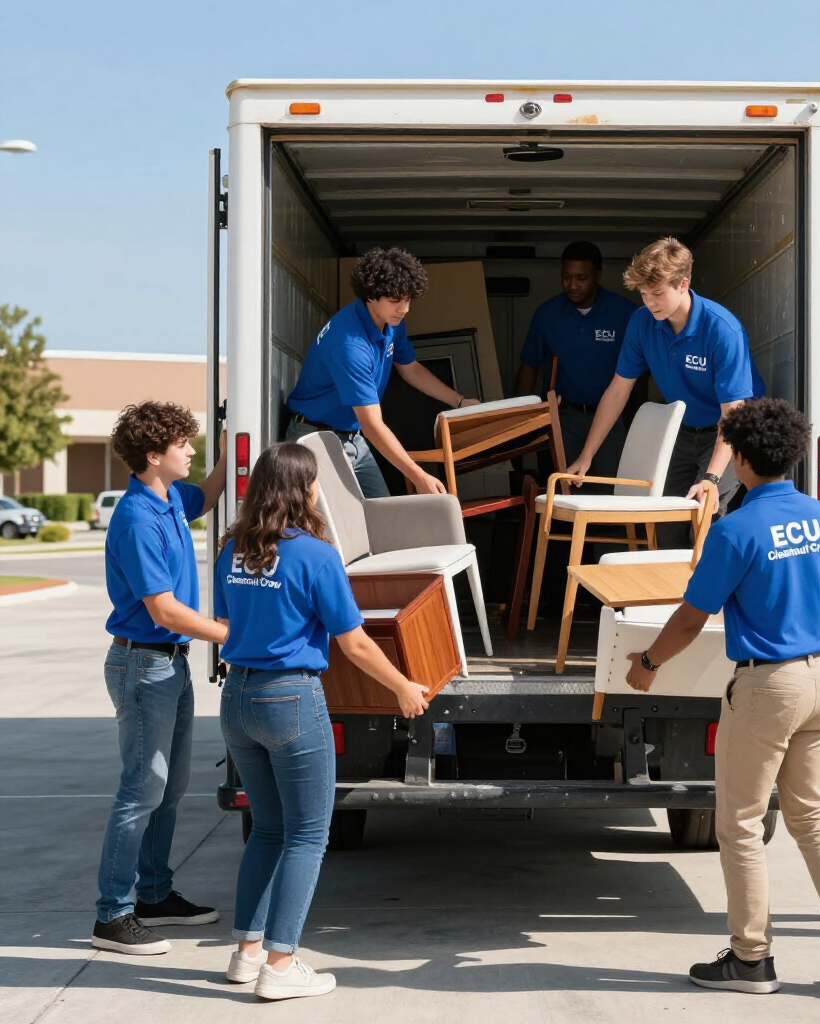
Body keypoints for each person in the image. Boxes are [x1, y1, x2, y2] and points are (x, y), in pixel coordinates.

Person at [625, 398, 820, 993]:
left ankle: (750, 958)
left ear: (739, 458)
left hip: (769, 684)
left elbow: (692, 618)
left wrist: (647, 663)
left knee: (740, 822)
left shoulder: (736, 528)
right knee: (812, 815)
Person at [214, 442, 430, 1000]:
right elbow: (353, 642)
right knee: (308, 835)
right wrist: (403, 685)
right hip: (289, 698)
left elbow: (224, 620)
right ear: (303, 490)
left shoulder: (231, 548)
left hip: (236, 697)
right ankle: (281, 968)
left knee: (267, 828)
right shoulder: (315, 554)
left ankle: (247, 954)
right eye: (314, 482)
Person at [92, 402, 228, 955]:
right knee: (139, 792)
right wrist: (231, 635)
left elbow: (213, 489)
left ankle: (153, 895)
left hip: (168, 664)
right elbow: (165, 611)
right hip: (143, 664)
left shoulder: (170, 498)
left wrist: (230, 431)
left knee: (168, 790)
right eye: (183, 444)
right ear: (154, 455)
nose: (191, 452)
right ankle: (113, 915)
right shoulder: (136, 518)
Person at [566, 237, 765, 546]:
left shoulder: (722, 329)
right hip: (684, 430)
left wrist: (710, 479)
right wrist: (586, 456)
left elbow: (734, 414)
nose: (649, 302)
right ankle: (669, 595)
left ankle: (705, 594)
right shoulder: (641, 322)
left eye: (657, 293)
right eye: (644, 294)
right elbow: (618, 390)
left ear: (683, 283)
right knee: (663, 520)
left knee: (705, 515)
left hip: (733, 430)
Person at [286, 247, 479, 498]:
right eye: (395, 301)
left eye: (408, 299)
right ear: (370, 296)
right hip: (315, 438)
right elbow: (372, 424)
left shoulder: (391, 321)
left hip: (354, 437)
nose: (404, 309)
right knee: (335, 528)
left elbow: (410, 369)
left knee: (382, 516)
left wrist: (460, 402)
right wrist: (418, 475)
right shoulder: (349, 345)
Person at [514, 241, 637, 478]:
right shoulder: (547, 314)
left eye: (581, 278)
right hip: (564, 417)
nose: (572, 285)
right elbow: (530, 365)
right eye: (566, 277)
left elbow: (639, 375)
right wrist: (522, 419)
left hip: (611, 419)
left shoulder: (625, 314)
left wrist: (634, 414)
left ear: (598, 276)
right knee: (563, 487)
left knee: (612, 490)